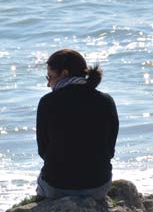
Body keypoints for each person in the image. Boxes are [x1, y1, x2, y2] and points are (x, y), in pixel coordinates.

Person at [35, 49, 119, 200]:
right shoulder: (106, 101)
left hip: (57, 186)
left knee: (42, 183)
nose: (48, 84)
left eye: (50, 77)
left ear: (64, 73)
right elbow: (110, 148)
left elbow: (43, 150)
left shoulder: (47, 102)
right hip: (98, 186)